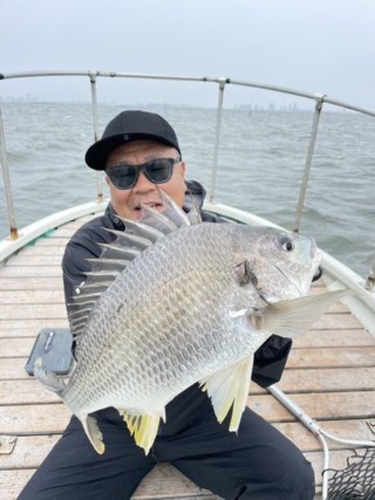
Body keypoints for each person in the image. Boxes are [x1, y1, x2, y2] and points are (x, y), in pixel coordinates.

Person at [19, 110, 315, 499]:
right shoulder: (87, 250)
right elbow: (89, 344)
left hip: (200, 413)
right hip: (116, 414)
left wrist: (275, 311)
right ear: (109, 184)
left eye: (157, 169)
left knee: (292, 482)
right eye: (124, 175)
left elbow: (264, 371)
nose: (142, 186)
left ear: (181, 170)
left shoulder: (219, 240)